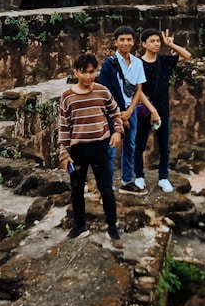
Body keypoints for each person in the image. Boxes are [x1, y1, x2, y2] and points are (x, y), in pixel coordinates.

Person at [57, 52, 124, 247]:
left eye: (92, 72)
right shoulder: (67, 97)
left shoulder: (102, 92)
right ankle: (79, 226)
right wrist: (63, 152)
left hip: (100, 147)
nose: (88, 76)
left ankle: (112, 227)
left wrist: (117, 132)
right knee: (76, 189)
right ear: (76, 72)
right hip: (78, 149)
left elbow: (115, 113)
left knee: (106, 188)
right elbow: (64, 127)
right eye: (84, 72)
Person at [99, 25, 159, 193]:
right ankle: (108, 185)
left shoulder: (138, 63)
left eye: (128, 39)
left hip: (129, 111)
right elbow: (105, 91)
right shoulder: (109, 64)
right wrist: (118, 115)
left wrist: (130, 111)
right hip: (113, 112)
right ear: (116, 42)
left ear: (133, 42)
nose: (125, 43)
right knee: (110, 148)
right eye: (122, 39)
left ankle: (127, 181)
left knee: (130, 146)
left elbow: (138, 89)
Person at [134, 28, 192, 192]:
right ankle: (139, 176)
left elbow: (186, 56)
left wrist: (171, 45)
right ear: (144, 44)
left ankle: (163, 178)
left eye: (158, 41)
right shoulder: (138, 63)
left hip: (163, 109)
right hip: (144, 109)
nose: (156, 44)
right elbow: (137, 91)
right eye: (152, 41)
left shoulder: (165, 60)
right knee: (139, 145)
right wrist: (152, 110)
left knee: (164, 146)